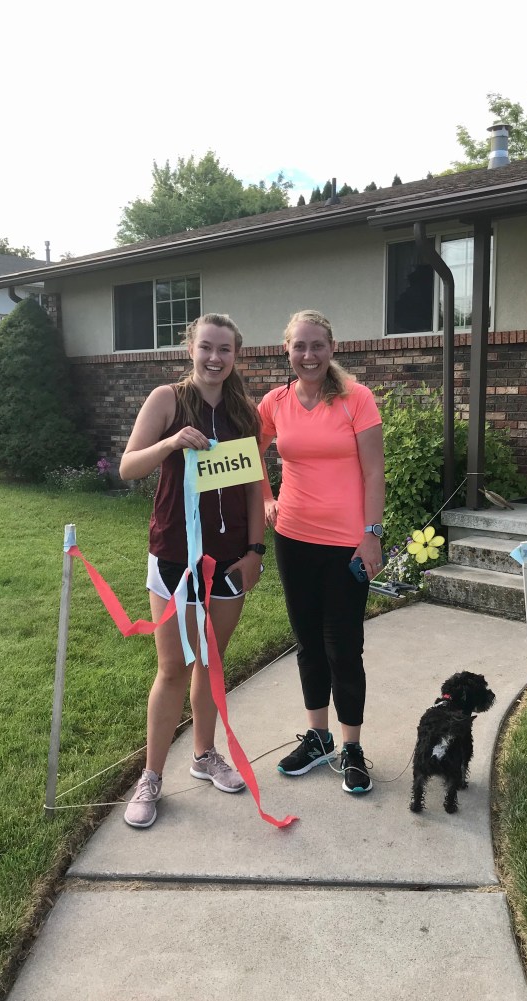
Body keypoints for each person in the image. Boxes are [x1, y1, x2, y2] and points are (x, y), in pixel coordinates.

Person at [119, 313, 266, 828]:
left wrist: (256, 551)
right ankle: (151, 776)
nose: (214, 358)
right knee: (173, 668)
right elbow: (129, 466)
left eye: (224, 350)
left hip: (229, 560)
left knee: (211, 662)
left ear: (236, 355)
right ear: (190, 348)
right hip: (175, 559)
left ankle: (204, 756)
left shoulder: (244, 412)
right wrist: (170, 443)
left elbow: (254, 488)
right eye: (206, 347)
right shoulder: (167, 399)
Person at [258, 309, 385, 795]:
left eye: (317, 345)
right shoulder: (274, 402)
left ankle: (351, 746)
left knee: (344, 648)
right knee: (308, 642)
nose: (308, 355)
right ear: (287, 350)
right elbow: (251, 451)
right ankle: (318, 737)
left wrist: (371, 533)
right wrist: (266, 497)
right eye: (299, 346)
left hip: (347, 545)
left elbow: (374, 472)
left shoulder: (357, 398)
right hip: (293, 537)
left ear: (332, 348)